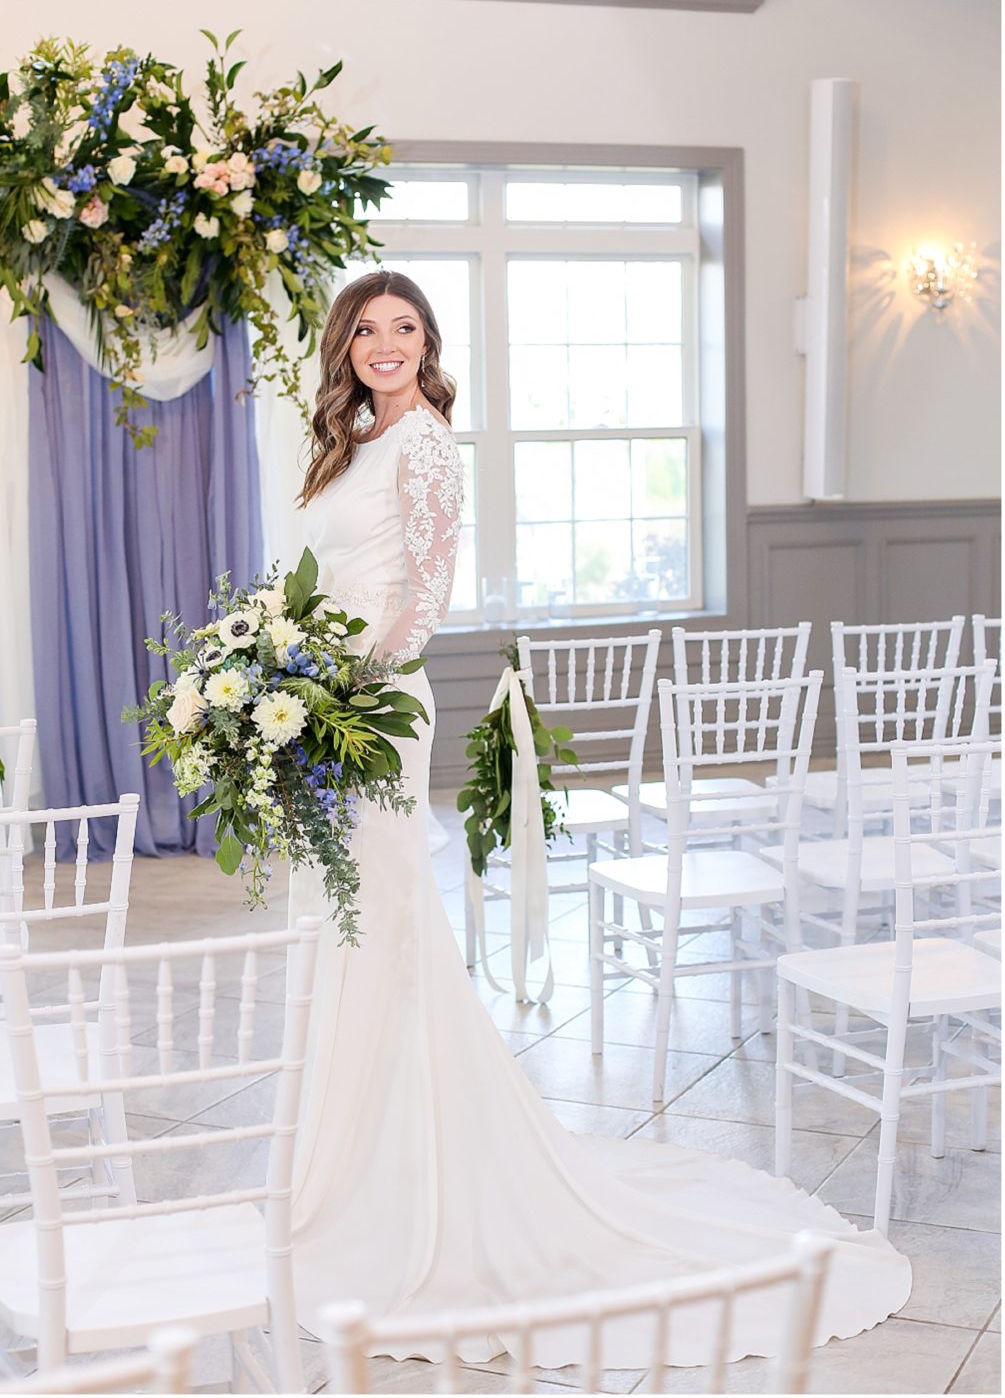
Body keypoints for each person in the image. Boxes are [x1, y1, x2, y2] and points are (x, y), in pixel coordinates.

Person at [288, 269, 910, 1369]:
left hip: (374, 707)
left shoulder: (424, 439)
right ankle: (355, 1159)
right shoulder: (354, 441)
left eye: (406, 327)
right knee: (355, 927)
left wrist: (339, 686)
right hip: (329, 705)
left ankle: (415, 1171)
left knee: (383, 923)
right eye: (368, 329)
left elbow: (425, 596)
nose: (387, 344)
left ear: (427, 342)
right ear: (343, 345)